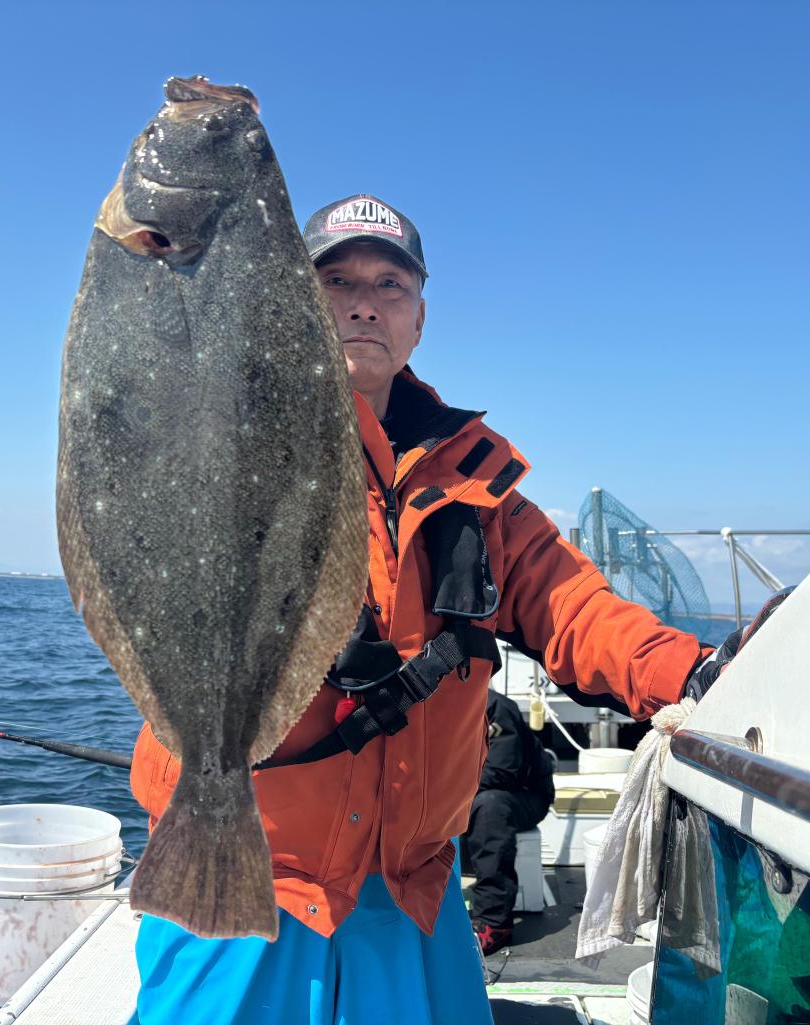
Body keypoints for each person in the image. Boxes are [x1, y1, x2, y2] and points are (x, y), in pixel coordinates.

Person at [126, 194, 720, 1025]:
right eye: (335, 281)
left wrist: (694, 673)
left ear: (419, 319)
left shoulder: (476, 484)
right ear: (290, 302)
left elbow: (572, 604)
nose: (364, 302)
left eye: (390, 284)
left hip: (410, 885)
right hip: (239, 874)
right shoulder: (225, 433)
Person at [461, 689, 555, 956]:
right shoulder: (425, 703)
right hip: (465, 793)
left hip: (523, 793)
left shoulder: (494, 707)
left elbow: (501, 772)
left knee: (489, 806)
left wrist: (443, 793)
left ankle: (494, 920)